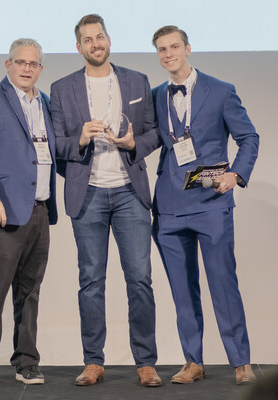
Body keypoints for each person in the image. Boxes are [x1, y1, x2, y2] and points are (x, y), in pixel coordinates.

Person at [50, 14, 161, 387]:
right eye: (88, 39)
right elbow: (55, 145)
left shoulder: (136, 80)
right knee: (91, 282)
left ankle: (145, 362)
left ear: (108, 40)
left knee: (140, 280)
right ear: (78, 47)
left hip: (130, 192)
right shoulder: (62, 88)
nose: (96, 44)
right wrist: (79, 139)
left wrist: (134, 144)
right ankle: (93, 361)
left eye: (100, 37)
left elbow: (153, 131)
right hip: (89, 193)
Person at [151, 25, 259, 385]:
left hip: (211, 202)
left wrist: (236, 176)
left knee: (223, 282)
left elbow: (249, 138)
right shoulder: (155, 96)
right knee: (182, 289)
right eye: (162, 49)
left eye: (174, 47)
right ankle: (192, 361)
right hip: (168, 206)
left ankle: (240, 361)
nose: (169, 54)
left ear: (188, 48)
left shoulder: (222, 91)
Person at [0, 38, 57, 387]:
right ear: (8, 65)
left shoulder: (45, 102)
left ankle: (26, 361)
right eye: (20, 62)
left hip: (39, 211)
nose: (26, 68)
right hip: (2, 213)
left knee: (29, 292)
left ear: (40, 69)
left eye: (33, 64)